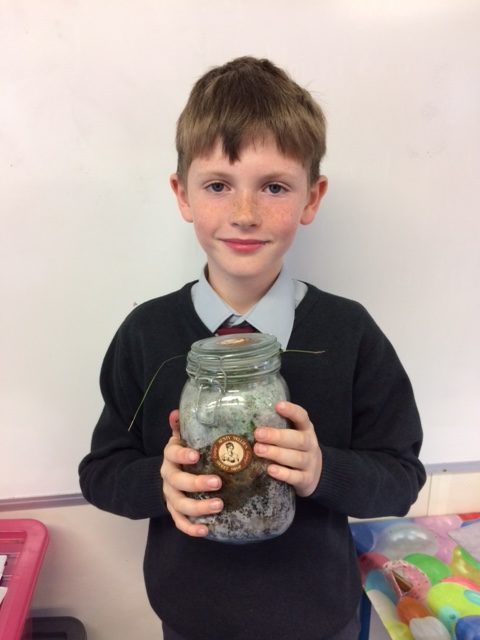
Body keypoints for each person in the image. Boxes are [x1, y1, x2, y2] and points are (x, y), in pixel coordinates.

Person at [79, 56, 426, 640]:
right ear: (182, 195)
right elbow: (101, 472)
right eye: (218, 185)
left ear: (311, 198)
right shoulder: (145, 333)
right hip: (192, 619)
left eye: (274, 187)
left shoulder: (349, 332)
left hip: (321, 618)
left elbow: (401, 476)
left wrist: (323, 470)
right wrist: (160, 482)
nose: (244, 214)